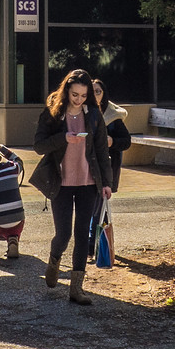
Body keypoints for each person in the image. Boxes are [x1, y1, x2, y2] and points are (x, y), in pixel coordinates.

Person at [31, 70, 111, 305]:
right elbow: (38, 146)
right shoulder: (52, 114)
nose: (79, 100)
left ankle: (77, 288)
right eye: (75, 94)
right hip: (61, 182)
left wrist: (107, 183)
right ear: (66, 90)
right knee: (63, 233)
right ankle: (54, 259)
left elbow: (102, 152)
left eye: (84, 96)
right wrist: (63, 138)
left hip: (89, 183)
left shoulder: (94, 115)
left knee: (82, 236)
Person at [90, 79, 130, 260]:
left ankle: (93, 245)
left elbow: (126, 141)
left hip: (106, 167)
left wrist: (112, 141)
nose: (96, 95)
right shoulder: (83, 112)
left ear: (104, 93)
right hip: (87, 166)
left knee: (99, 205)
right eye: (92, 92)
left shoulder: (112, 116)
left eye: (98, 91)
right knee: (90, 205)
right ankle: (92, 244)